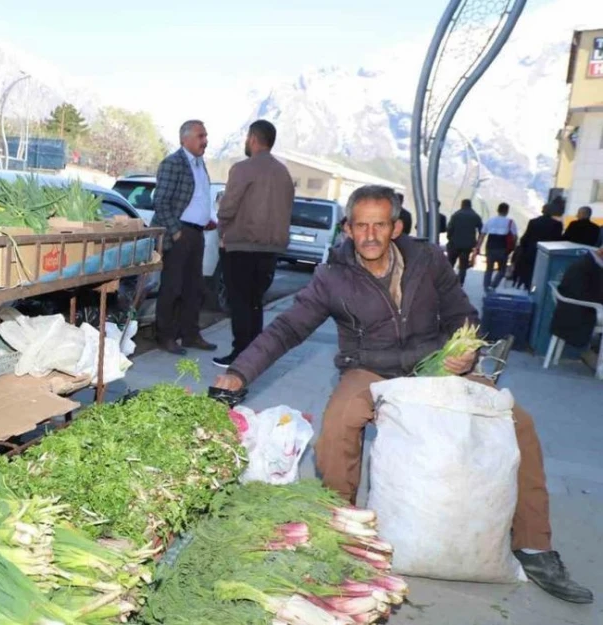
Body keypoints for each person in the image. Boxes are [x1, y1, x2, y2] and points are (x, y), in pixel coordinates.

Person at [212, 184, 592, 604]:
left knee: (517, 422)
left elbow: (462, 313)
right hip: (370, 368)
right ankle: (338, 530)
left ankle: (535, 547)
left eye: (379, 225)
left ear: (396, 227)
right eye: (361, 226)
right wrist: (238, 373)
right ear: (348, 229)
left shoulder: (428, 260)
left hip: (435, 366)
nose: (370, 235)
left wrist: (463, 351)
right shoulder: (332, 277)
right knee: (338, 424)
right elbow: (287, 329)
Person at [213, 120, 295, 368]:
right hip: (270, 249)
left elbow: (228, 206)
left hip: (242, 245)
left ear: (252, 139)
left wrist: (222, 229)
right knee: (256, 302)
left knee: (239, 302)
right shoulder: (284, 173)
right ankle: (254, 355)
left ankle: (239, 355)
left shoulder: (243, 168)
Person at [150, 120, 218, 355]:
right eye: (201, 136)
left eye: (205, 135)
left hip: (197, 233)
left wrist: (206, 219)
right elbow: (160, 202)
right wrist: (176, 231)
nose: (205, 141)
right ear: (185, 139)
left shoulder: (200, 165)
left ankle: (190, 334)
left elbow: (197, 197)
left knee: (194, 288)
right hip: (179, 233)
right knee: (172, 288)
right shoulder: (173, 163)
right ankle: (165, 337)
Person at [550, 245, 603, 350]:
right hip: (579, 311)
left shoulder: (586, 262)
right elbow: (594, 295)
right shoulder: (591, 267)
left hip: (569, 308)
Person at [510, 203, 565, 290]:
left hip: (532, 251)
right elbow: (558, 240)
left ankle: (528, 288)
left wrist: (523, 248)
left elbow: (526, 237)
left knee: (530, 272)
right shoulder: (557, 225)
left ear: (542, 211)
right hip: (548, 254)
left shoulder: (533, 222)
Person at [476, 202, 517, 292]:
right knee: (502, 270)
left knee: (489, 269)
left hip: (490, 246)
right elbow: (514, 236)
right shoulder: (510, 222)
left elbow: (482, 235)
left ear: (497, 210)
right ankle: (493, 285)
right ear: (507, 211)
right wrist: (513, 248)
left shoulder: (490, 221)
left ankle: (486, 288)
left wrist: (478, 247)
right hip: (503, 248)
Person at [445, 198, 484, 285]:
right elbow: (482, 231)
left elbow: (450, 228)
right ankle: (460, 283)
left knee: (450, 263)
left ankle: (448, 281)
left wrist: (449, 238)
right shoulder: (475, 216)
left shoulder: (456, 215)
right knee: (463, 265)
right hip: (468, 245)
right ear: (470, 205)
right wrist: (477, 244)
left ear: (462, 205)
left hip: (454, 243)